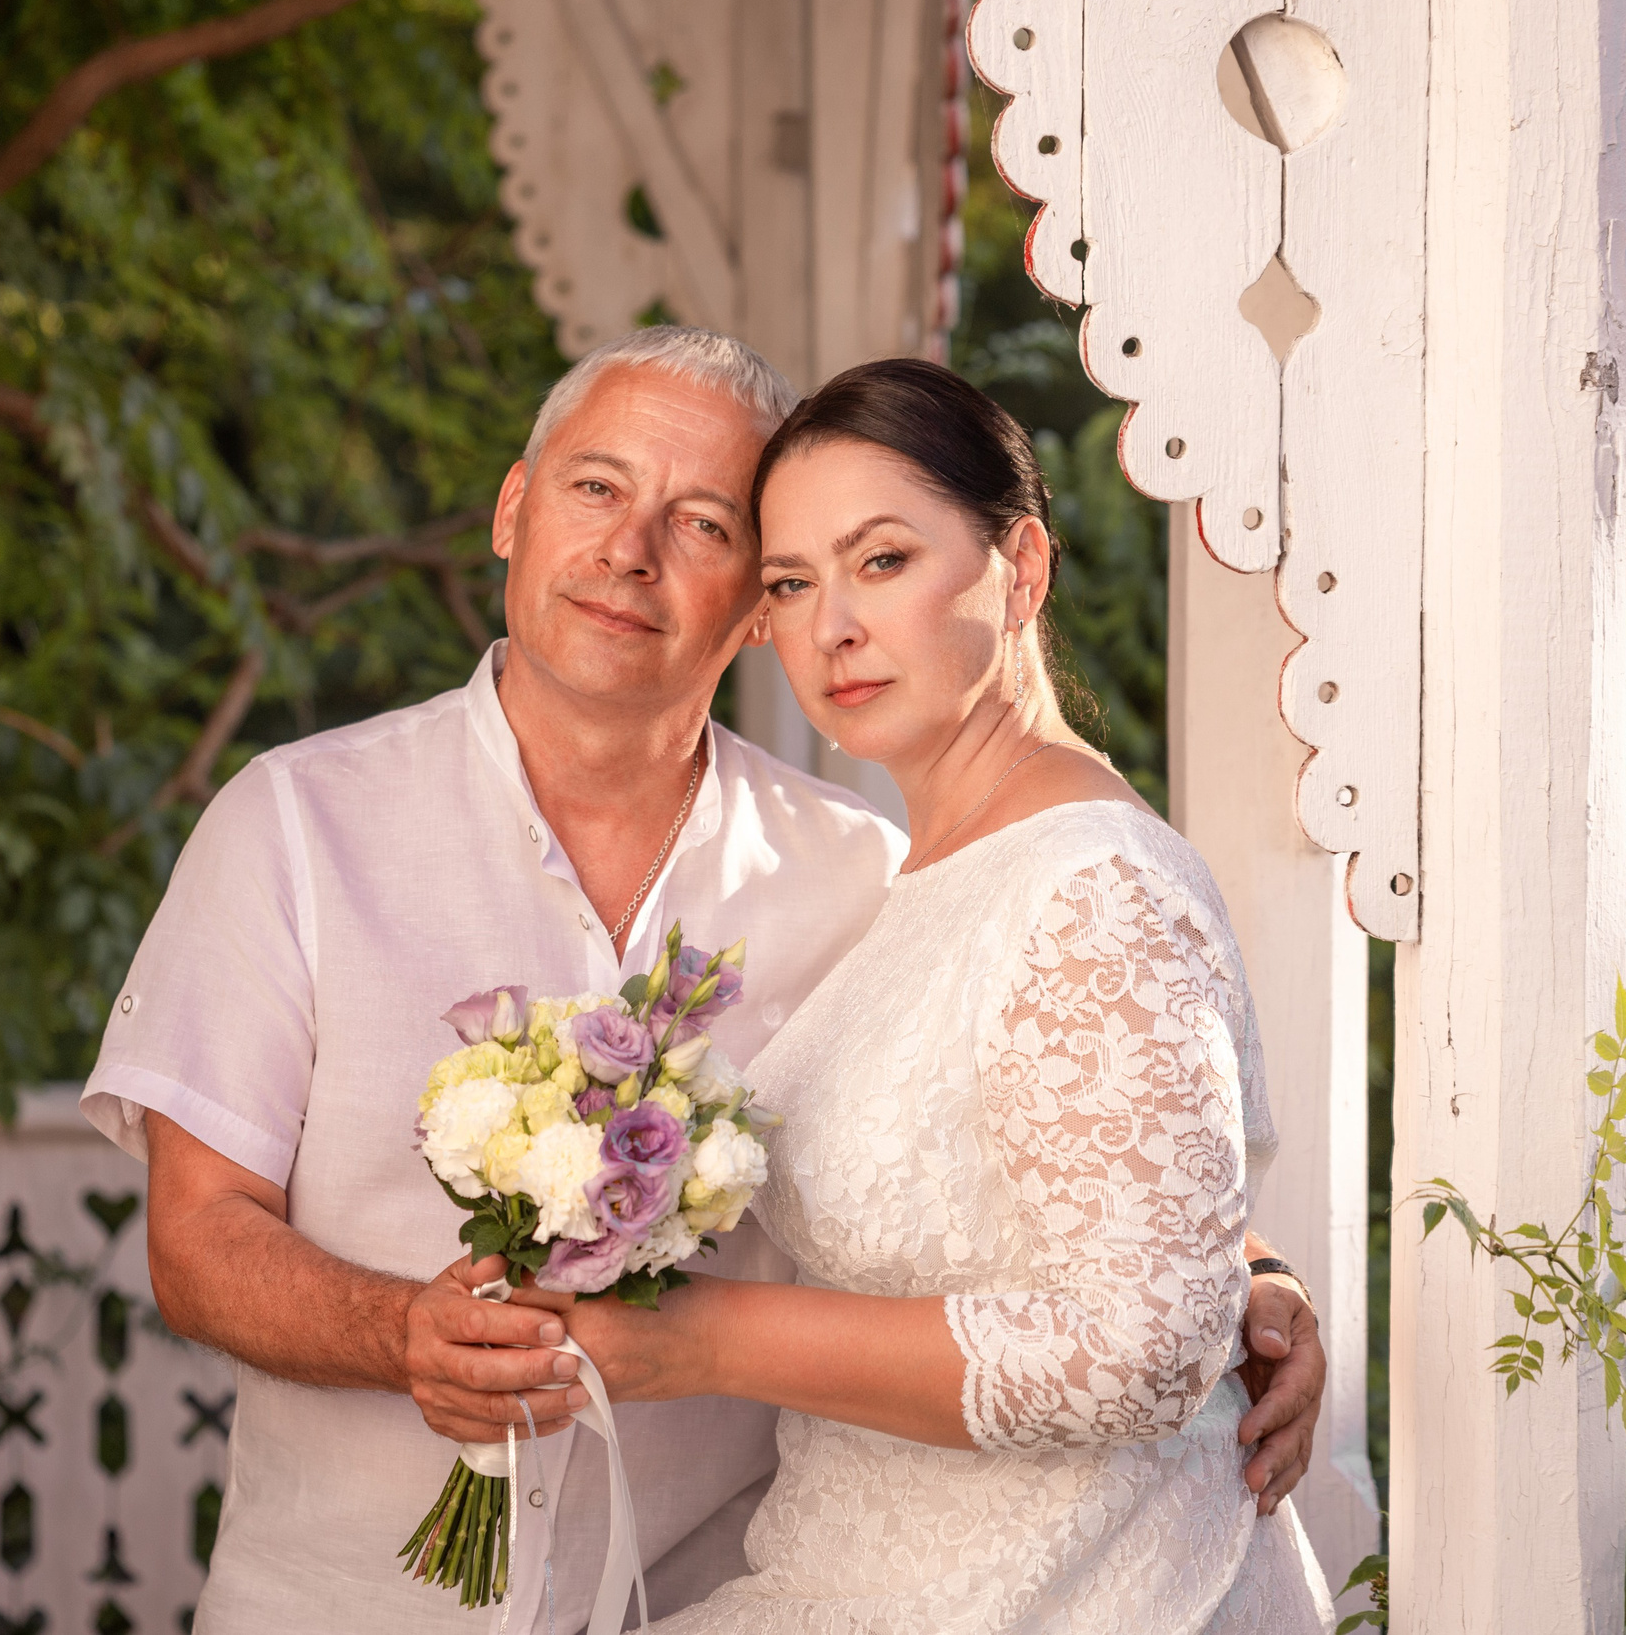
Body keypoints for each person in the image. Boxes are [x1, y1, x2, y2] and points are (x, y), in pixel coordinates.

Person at [79, 328, 1327, 1634]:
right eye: (596, 488)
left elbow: (1067, 1144)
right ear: (512, 511)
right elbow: (196, 1237)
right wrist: (402, 1331)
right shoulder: (292, 824)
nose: (630, 549)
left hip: (701, 1592)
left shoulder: (869, 874)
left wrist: (1252, 1279)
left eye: (704, 526)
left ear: (748, 609)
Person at [513, 357, 1335, 1631]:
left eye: (883, 560)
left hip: (1086, 1590)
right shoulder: (922, 875)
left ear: (1022, 567)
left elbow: (1145, 1346)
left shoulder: (1094, 883)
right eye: (792, 582)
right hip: (872, 1571)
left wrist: (704, 1338)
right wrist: (1247, 1264)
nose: (831, 625)